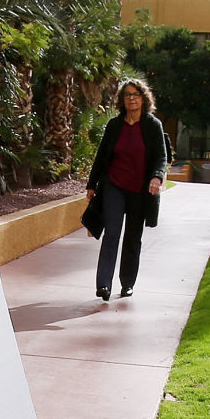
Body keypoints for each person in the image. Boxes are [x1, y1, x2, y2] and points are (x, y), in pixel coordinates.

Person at [84, 78, 169, 301]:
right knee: (112, 232)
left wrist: (157, 177)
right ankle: (103, 285)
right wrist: (92, 185)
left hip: (139, 190)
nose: (131, 98)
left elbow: (161, 157)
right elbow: (101, 156)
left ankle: (127, 283)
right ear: (122, 99)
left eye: (136, 94)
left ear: (143, 98)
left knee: (133, 236)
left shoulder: (152, 125)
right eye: (127, 95)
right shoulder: (114, 125)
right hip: (114, 184)